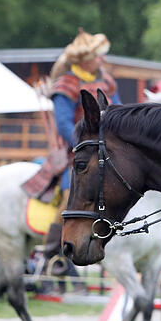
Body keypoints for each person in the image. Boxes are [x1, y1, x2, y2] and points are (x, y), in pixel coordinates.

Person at [43, 29, 121, 277]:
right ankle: (53, 254)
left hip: (106, 151)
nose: (101, 60)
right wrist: (86, 145)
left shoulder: (107, 81)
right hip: (75, 155)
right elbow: (64, 124)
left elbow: (117, 112)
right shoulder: (66, 85)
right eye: (97, 56)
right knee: (71, 195)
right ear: (83, 59)